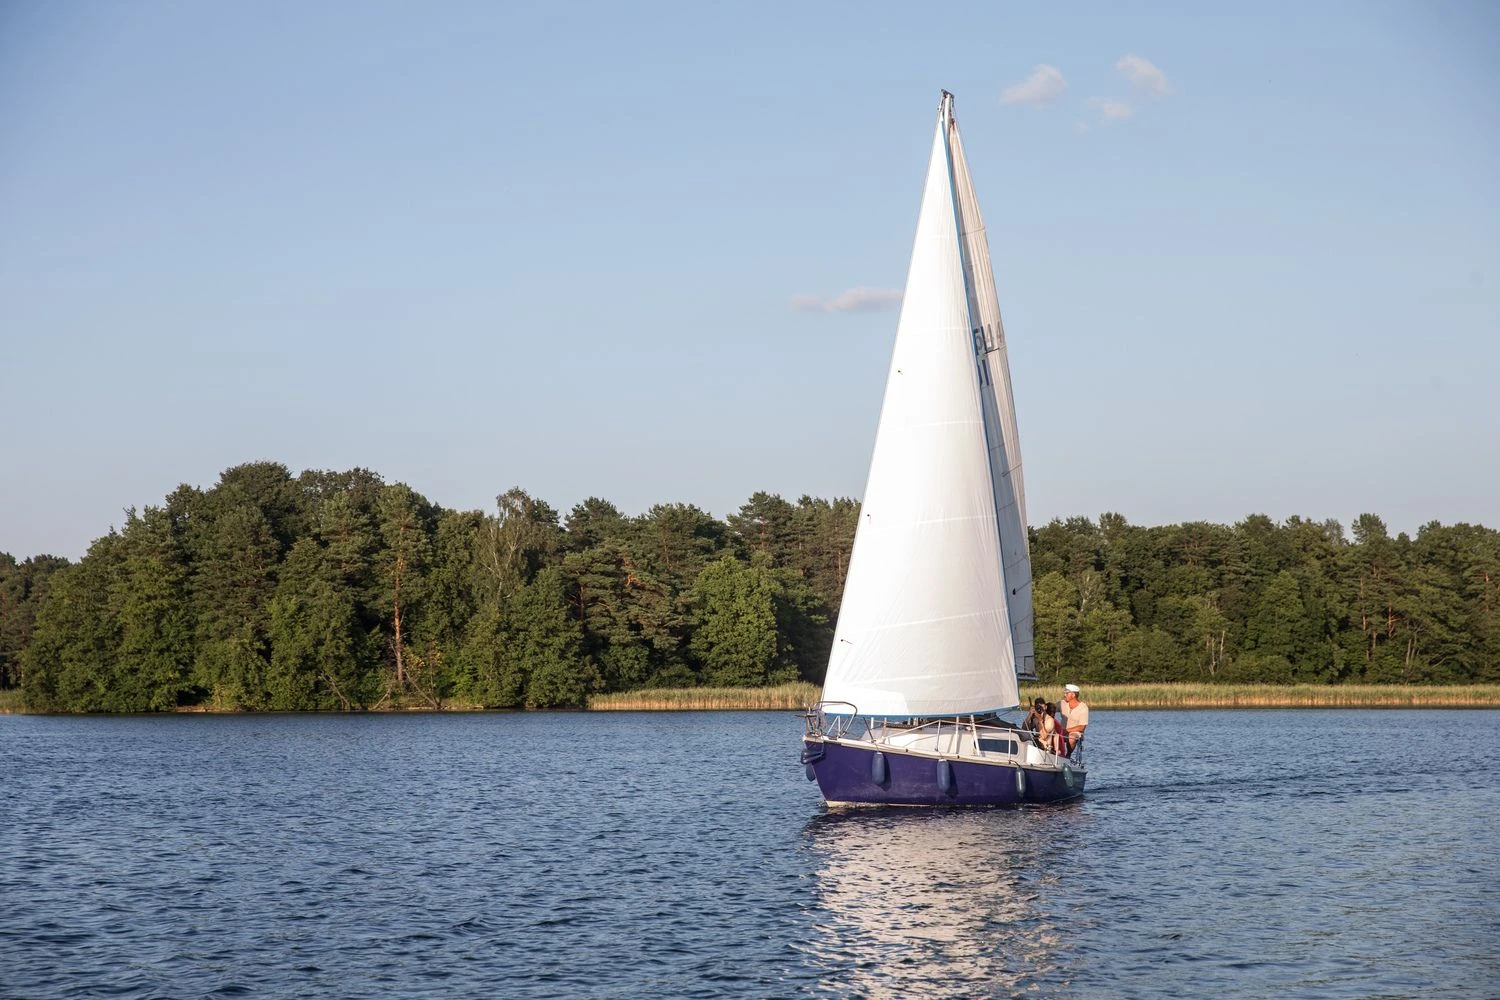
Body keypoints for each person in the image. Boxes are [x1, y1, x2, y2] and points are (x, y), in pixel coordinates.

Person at [1061, 683, 1089, 753]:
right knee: (1051, 733)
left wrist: (1066, 730)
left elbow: (1082, 727)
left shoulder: (1083, 708)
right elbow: (1050, 708)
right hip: (1061, 731)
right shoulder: (1062, 703)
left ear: (1073, 695)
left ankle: (1068, 756)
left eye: (1067, 693)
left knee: (1072, 737)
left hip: (1076, 733)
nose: (1065, 695)